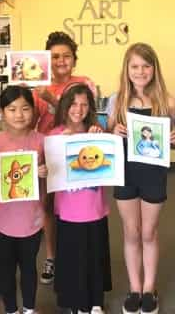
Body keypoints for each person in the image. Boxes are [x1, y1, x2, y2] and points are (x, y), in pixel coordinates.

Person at [108, 43, 175, 314]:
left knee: (149, 232)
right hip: (125, 173)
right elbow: (106, 140)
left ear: (154, 68)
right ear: (127, 70)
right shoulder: (116, 101)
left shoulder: (168, 101)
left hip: (154, 173)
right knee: (131, 232)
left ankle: (149, 288)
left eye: (146, 66)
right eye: (135, 66)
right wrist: (113, 132)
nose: (140, 72)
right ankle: (135, 287)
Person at [33, 31, 96, 285]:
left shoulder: (84, 82)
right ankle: (52, 256)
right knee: (48, 205)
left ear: (74, 58)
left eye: (66, 56)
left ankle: (74, 256)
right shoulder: (40, 87)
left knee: (76, 204)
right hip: (50, 152)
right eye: (55, 56)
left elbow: (88, 113)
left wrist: (54, 99)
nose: (61, 61)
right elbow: (33, 120)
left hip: (80, 152)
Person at [0, 86, 47, 314]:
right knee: (6, 269)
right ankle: (11, 309)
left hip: (32, 219)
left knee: (29, 267)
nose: (19, 115)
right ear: (2, 112)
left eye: (25, 108)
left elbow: (55, 179)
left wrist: (47, 172)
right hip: (2, 220)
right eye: (12, 109)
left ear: (34, 111)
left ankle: (29, 308)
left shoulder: (42, 142)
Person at [51, 84, 111, 314]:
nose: (79, 109)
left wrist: (100, 138)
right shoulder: (55, 134)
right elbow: (52, 170)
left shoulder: (97, 130)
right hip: (67, 210)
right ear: (65, 106)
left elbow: (108, 165)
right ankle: (77, 303)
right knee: (73, 258)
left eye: (85, 104)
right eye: (74, 103)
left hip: (95, 208)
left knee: (96, 255)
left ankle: (96, 301)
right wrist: (61, 144)